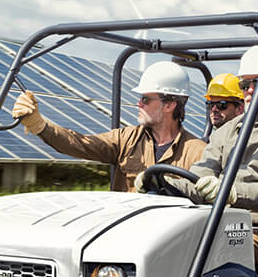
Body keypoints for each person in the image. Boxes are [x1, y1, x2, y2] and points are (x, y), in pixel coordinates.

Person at [146, 43, 258, 265]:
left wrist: (232, 193)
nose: (250, 90)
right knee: (159, 240)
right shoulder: (228, 131)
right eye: (245, 84)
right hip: (221, 223)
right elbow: (199, 178)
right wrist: (161, 184)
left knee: (217, 249)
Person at [11, 60, 207, 192]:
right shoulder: (126, 139)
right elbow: (81, 144)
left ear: (170, 105)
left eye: (146, 99)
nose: (139, 104)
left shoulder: (198, 152)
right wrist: (40, 125)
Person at [203, 73, 244, 141]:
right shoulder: (206, 143)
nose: (214, 109)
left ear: (239, 109)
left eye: (221, 105)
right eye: (210, 104)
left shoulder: (244, 141)